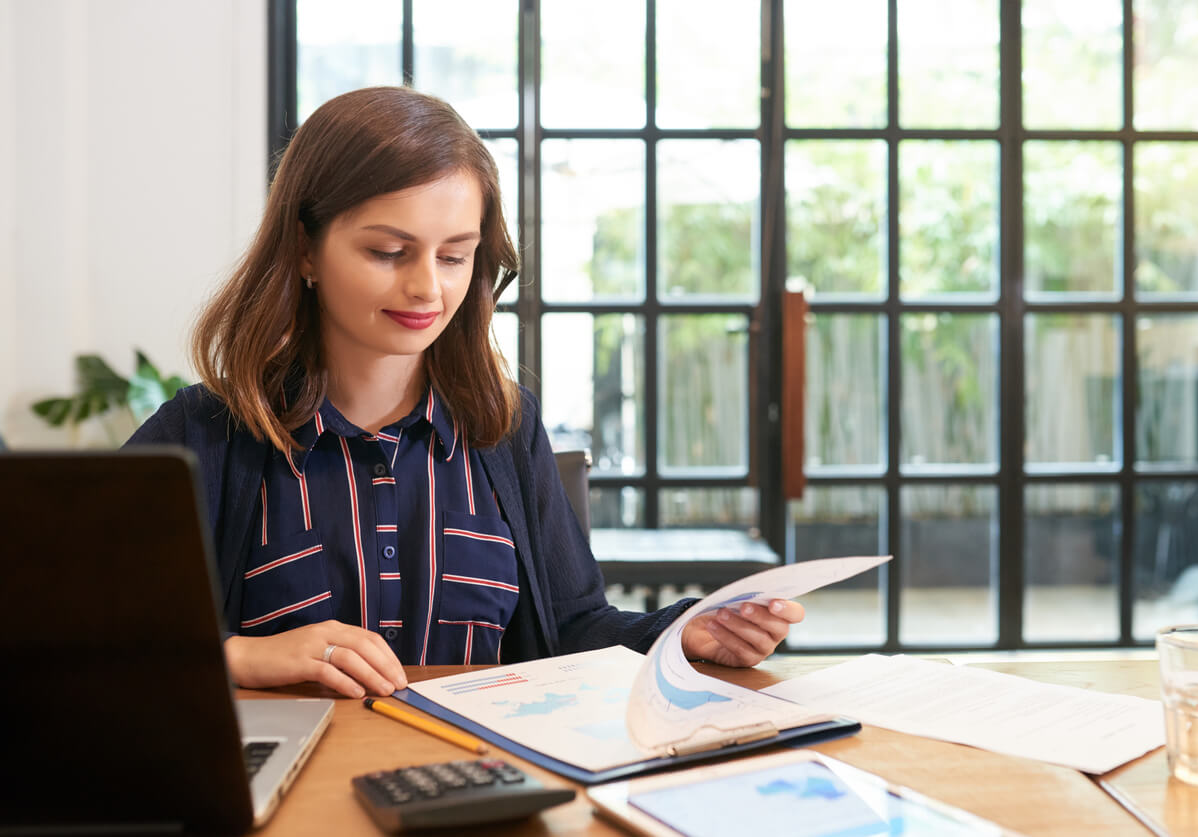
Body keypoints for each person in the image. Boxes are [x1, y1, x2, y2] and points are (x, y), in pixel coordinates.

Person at [127, 86, 804, 699]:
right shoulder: (205, 434)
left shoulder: (506, 429)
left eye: (455, 256)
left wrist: (683, 634)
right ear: (304, 249)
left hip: (477, 786)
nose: (428, 288)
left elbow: (572, 627)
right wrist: (236, 656)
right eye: (389, 252)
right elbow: (71, 633)